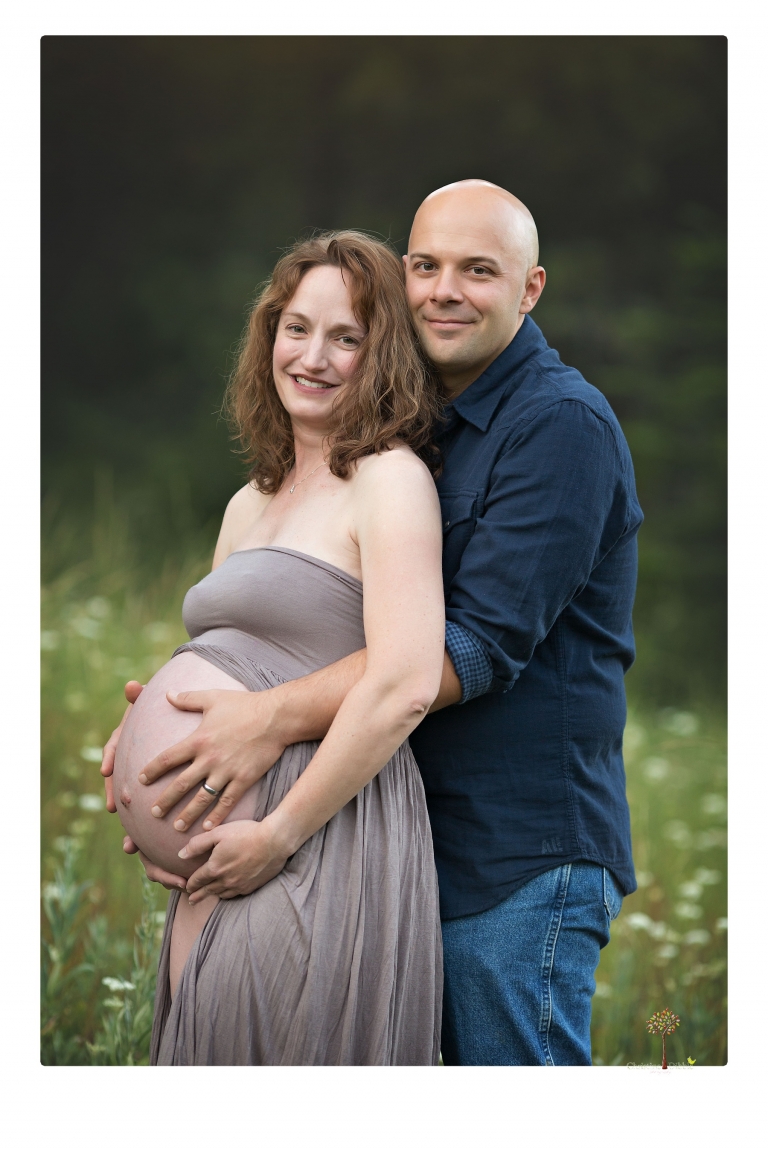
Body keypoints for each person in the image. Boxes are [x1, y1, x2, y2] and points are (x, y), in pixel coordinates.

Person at [104, 180, 643, 1066]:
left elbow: (465, 652)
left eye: (478, 271)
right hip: (395, 830)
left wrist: (260, 720)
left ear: (531, 288)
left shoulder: (559, 426)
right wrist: (160, 741)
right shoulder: (416, 427)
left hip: (512, 853)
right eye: (426, 266)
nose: (445, 291)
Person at [107, 230, 449, 1065]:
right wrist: (145, 736)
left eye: (346, 338)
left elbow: (405, 679)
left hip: (312, 837)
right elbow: (233, 653)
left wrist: (279, 835)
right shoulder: (249, 501)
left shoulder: (389, 479)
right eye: (296, 328)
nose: (313, 357)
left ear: (382, 356)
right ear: (269, 336)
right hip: (218, 855)